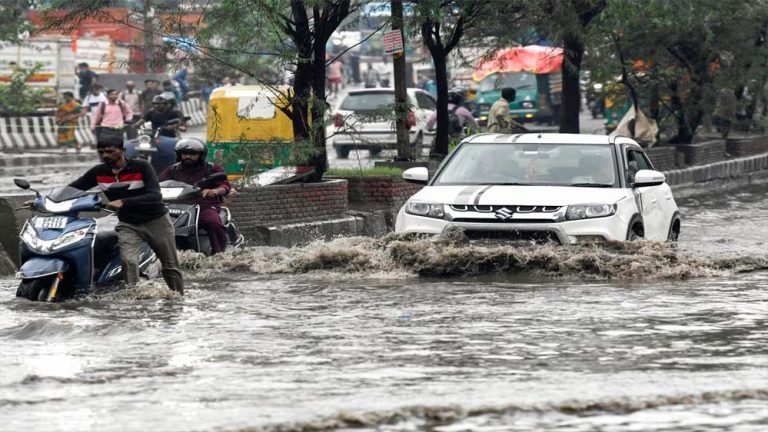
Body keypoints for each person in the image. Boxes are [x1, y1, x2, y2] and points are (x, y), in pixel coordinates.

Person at [68, 136, 184, 294]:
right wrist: (44, 199)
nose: (105, 155)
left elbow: (155, 195)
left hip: (156, 221)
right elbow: (73, 189)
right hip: (128, 223)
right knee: (128, 261)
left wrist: (124, 201)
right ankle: (134, 296)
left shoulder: (142, 167)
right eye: (101, 152)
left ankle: (178, 297)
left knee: (170, 265)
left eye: (109, 151)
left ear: (122, 151)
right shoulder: (98, 172)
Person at [158, 139, 232, 255]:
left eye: (193, 154)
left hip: (203, 206)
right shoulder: (173, 169)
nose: (188, 156)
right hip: (175, 205)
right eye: (185, 153)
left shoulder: (212, 169)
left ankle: (220, 254)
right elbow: (158, 184)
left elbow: (225, 186)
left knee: (212, 222)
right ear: (179, 155)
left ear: (201, 155)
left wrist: (215, 191)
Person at [144, 93, 186, 172]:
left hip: (171, 138)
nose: (158, 105)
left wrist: (174, 127)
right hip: (156, 138)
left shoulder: (175, 113)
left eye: (168, 102)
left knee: (174, 153)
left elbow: (182, 124)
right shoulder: (151, 113)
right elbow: (142, 121)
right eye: (156, 104)